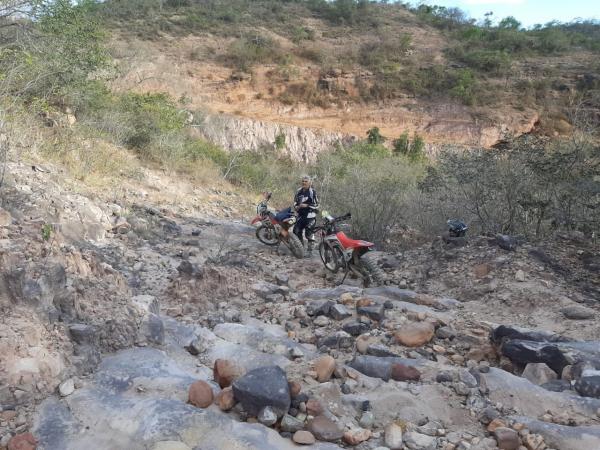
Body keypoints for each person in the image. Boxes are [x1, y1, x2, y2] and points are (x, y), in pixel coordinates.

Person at [293, 175, 319, 254]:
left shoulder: (312, 192)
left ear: (310, 183)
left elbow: (317, 205)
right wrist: (296, 207)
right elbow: (295, 202)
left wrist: (307, 205)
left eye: (306, 181)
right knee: (296, 231)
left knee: (309, 233)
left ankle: (310, 250)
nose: (304, 183)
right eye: (303, 181)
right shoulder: (298, 191)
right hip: (301, 215)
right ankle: (301, 248)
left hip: (310, 216)